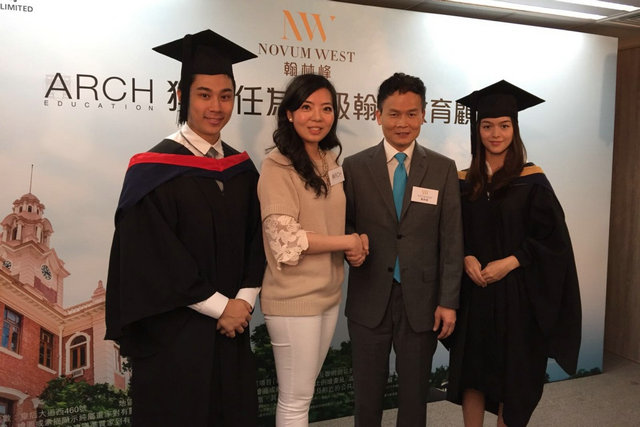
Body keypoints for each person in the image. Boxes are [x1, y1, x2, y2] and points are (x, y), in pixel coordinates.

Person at [104, 30, 265, 426]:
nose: (216, 107)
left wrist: (244, 302)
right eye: (204, 95)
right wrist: (221, 307)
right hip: (175, 333)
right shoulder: (152, 170)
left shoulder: (242, 169)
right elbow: (154, 256)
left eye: (225, 96)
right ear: (181, 95)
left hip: (232, 329)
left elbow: (257, 238)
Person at [446, 80, 582, 427]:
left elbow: (552, 238)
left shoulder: (532, 179)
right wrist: (466, 256)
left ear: (514, 129)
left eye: (504, 126)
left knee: (514, 377)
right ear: (477, 130)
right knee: (473, 373)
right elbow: (451, 231)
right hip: (475, 293)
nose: (496, 134)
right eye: (487, 126)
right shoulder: (463, 180)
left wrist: (511, 261)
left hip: (518, 296)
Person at [342, 72, 464, 427]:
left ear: (424, 115)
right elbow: (343, 224)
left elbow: (452, 240)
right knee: (367, 396)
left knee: (414, 397)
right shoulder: (354, 167)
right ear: (377, 114)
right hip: (369, 299)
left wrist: (448, 301)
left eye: (412, 114)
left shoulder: (442, 168)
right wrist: (351, 243)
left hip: (422, 302)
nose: (402, 123)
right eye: (394, 114)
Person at [257, 73, 368, 427]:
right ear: (289, 113)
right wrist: (347, 242)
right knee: (295, 401)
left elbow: (331, 222)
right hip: (293, 298)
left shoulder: (329, 161)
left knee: (303, 394)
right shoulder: (276, 166)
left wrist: (355, 240)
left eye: (326, 108)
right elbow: (285, 242)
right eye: (306, 107)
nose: (317, 117)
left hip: (327, 295)